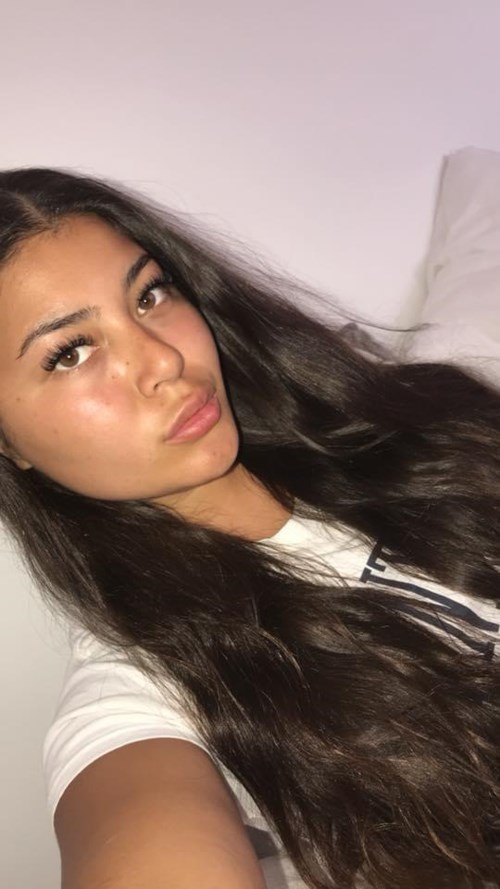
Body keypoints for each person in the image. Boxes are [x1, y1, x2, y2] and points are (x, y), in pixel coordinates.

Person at [0, 167, 499, 889]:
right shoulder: (146, 687)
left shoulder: (416, 423)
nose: (164, 359)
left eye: (149, 294)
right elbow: (141, 826)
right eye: (70, 352)